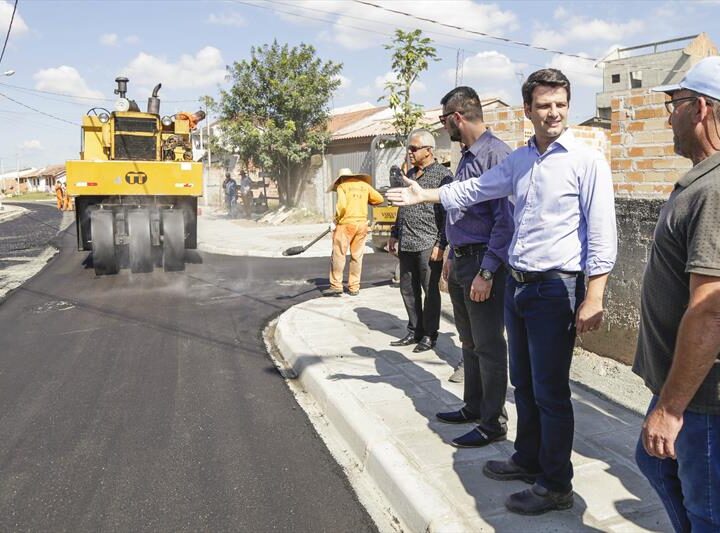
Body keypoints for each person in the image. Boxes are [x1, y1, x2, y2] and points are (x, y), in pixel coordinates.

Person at [386, 69, 617, 515]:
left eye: (560, 105)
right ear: (528, 110)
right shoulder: (522, 160)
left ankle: (555, 484)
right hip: (521, 285)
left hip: (557, 288)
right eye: (544, 105)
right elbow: (477, 188)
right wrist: (425, 198)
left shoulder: (586, 161)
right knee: (524, 384)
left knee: (550, 391)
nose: (553, 113)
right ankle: (529, 460)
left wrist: (595, 296)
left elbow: (602, 234)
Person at [633, 56, 720, 532]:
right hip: (681, 384)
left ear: (701, 108)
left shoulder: (714, 191)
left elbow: (711, 313)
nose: (669, 116)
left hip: (700, 396)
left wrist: (670, 409)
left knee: (709, 509)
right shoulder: (701, 181)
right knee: (654, 464)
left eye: (674, 104)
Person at [426, 87, 515, 448]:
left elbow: (505, 221)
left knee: (489, 344)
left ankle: (493, 422)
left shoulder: (496, 156)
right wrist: (449, 251)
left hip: (483, 263)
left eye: (444, 119)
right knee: (468, 341)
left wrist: (488, 271)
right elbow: (461, 209)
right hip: (463, 259)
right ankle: (473, 406)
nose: (443, 126)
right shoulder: (466, 156)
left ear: (457, 117)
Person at [388, 129, 453, 353]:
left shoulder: (443, 176)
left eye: (414, 148)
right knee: (407, 289)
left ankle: (429, 334)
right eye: (409, 148)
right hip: (406, 242)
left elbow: (447, 215)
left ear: (429, 150)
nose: (410, 152)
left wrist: (441, 245)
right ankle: (414, 329)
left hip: (427, 244)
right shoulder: (410, 174)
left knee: (430, 292)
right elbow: (402, 205)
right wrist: (394, 233)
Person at [324, 167, 384, 297]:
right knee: (357, 256)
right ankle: (354, 287)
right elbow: (379, 199)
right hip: (362, 225)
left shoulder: (342, 187)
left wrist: (335, 221)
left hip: (345, 225)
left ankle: (336, 286)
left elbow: (342, 206)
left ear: (340, 179)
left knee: (338, 254)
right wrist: (365, 201)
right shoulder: (364, 185)